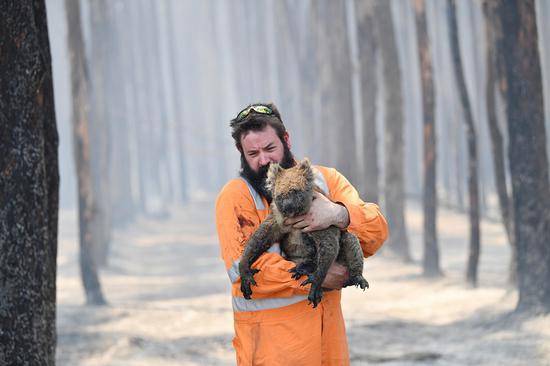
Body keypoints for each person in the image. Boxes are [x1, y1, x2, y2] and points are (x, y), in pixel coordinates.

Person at [215, 103, 388, 365]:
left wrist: (338, 215)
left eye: (270, 148)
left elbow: (376, 231)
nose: (263, 160)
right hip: (270, 354)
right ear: (241, 152)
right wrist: (315, 277)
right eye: (253, 153)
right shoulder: (236, 197)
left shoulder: (325, 180)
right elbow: (242, 269)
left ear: (286, 139)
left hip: (329, 350)